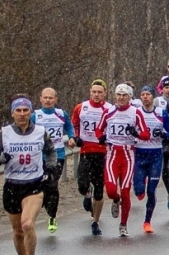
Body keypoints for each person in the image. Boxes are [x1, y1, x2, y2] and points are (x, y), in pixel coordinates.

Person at [0, 94, 57, 255]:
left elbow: (51, 151)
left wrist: (51, 167)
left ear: (31, 113)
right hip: (12, 186)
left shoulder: (41, 132)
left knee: (27, 224)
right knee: (17, 231)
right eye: (19, 111)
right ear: (12, 113)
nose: (22, 114)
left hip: (33, 184)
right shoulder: (5, 133)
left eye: (26, 110)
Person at [33, 88, 76, 234]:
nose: (48, 100)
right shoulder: (35, 116)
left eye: (50, 98)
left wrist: (71, 137)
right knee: (43, 185)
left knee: (52, 183)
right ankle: (46, 203)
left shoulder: (61, 114)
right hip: (40, 156)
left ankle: (52, 216)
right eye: (45, 98)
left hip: (58, 155)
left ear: (56, 99)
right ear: (40, 99)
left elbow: (69, 127)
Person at [71, 79, 111, 236]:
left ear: (105, 93)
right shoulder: (81, 108)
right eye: (94, 92)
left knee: (100, 190)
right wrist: (76, 136)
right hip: (86, 150)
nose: (96, 95)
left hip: (102, 152)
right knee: (82, 183)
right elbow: (74, 125)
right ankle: (87, 195)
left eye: (100, 92)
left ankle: (95, 221)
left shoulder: (110, 109)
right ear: (90, 92)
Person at [134, 85, 169, 234]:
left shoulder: (161, 113)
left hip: (155, 155)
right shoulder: (136, 112)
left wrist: (163, 134)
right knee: (139, 191)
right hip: (139, 154)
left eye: (148, 94)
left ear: (153, 97)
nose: (145, 97)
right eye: (142, 94)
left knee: (151, 191)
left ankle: (147, 221)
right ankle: (140, 186)